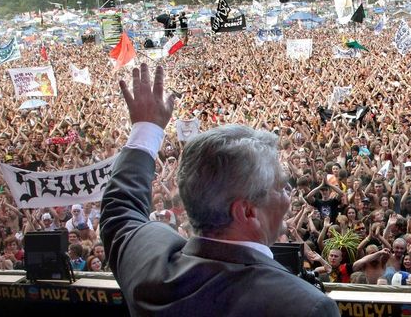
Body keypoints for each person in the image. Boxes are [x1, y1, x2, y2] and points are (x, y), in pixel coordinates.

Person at [100, 64, 338, 316]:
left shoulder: (149, 263)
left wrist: (146, 128)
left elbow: (120, 212)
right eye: (279, 187)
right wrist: (148, 129)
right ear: (247, 212)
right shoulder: (304, 306)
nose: (288, 195)